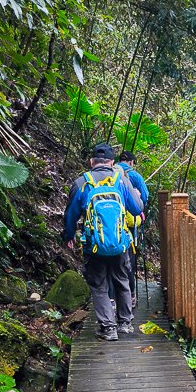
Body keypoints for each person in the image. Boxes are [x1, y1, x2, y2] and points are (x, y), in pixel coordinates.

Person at [62, 143, 143, 341]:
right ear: (112, 162)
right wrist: (138, 196)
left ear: (92, 162)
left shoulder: (82, 182)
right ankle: (125, 323)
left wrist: (68, 236)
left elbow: (71, 214)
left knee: (98, 284)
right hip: (119, 242)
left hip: (94, 244)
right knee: (122, 279)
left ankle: (108, 328)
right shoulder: (121, 180)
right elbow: (136, 207)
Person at [117, 151, 149, 307]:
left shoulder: (109, 174)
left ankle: (113, 298)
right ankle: (131, 296)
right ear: (130, 162)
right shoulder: (134, 176)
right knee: (129, 259)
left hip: (108, 224)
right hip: (129, 223)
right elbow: (145, 196)